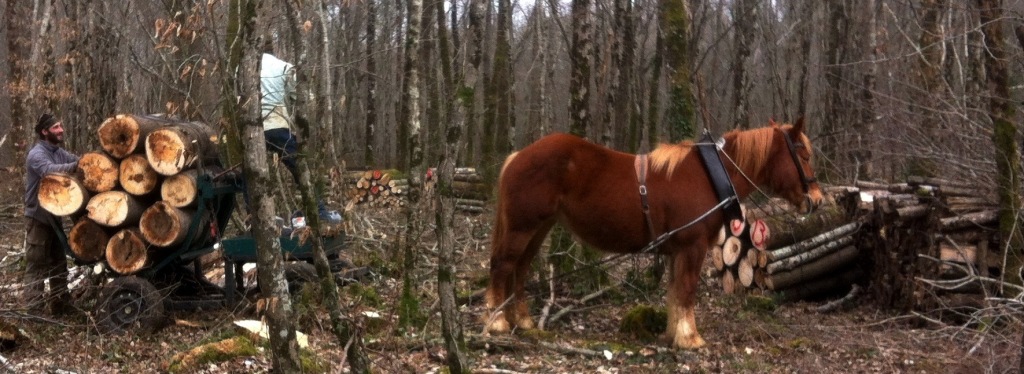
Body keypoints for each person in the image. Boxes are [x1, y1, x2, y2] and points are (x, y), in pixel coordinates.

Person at [260, 43, 342, 224]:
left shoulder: (243, 68)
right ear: (273, 50)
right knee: (301, 169)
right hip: (277, 125)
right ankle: (319, 212)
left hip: (253, 131)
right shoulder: (283, 67)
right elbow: (305, 97)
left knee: (250, 175)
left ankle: (256, 218)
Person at [23, 113, 79, 315]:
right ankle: (34, 310)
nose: (61, 130)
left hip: (54, 216)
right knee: (37, 264)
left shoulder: (59, 152)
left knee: (58, 263)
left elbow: (77, 160)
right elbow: (49, 172)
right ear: (45, 132)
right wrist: (75, 166)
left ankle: (61, 305)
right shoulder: (36, 154)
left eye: (61, 125)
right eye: (56, 127)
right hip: (38, 219)